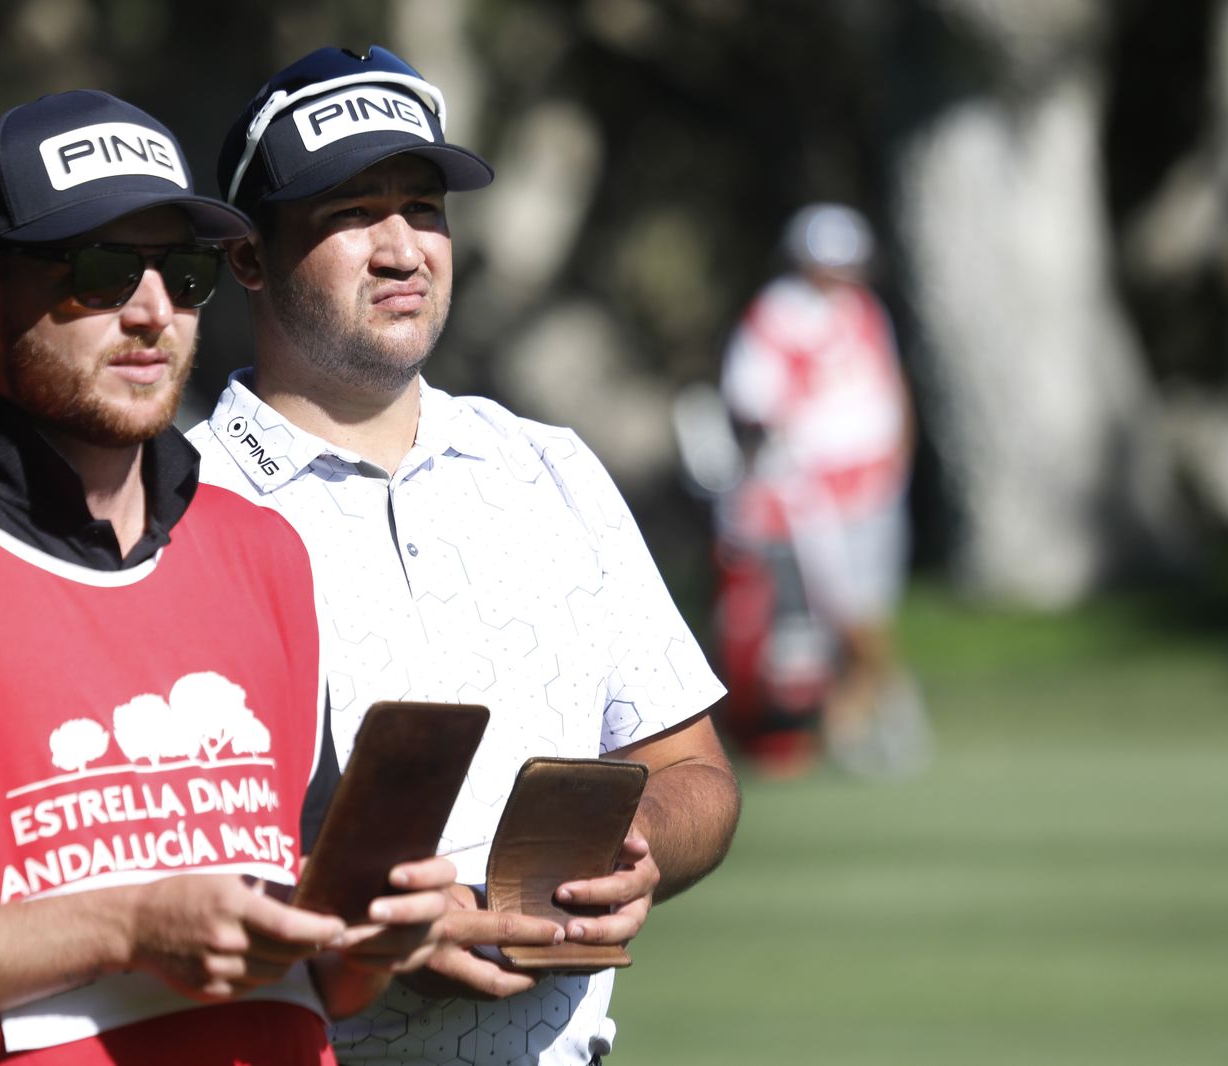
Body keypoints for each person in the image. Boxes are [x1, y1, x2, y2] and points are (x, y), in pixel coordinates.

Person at [0, 89, 457, 1066]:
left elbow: (323, 969)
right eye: (101, 270)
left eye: (184, 272)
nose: (152, 312)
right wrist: (126, 927)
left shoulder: (266, 554)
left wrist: (383, 931)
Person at [188, 46, 741, 1066]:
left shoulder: (548, 466)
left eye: (425, 208)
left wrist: (642, 850)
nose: (403, 249)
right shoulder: (170, 511)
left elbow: (690, 766)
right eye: (353, 212)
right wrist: (365, 933)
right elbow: (122, 875)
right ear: (249, 257)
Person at [717, 202, 927, 776]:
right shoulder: (775, 318)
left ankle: (851, 720)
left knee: (868, 603)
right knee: (845, 608)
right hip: (811, 495)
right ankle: (886, 706)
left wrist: (898, 456)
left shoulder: (864, 311)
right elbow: (752, 407)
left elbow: (890, 386)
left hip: (876, 484)